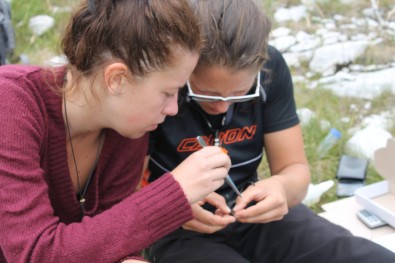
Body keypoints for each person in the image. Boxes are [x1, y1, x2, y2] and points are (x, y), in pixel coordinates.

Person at [144, 0, 395, 262]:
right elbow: (125, 194)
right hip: (177, 226)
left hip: (253, 212)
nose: (222, 106)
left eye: (240, 93)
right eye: (207, 93)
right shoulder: (164, 83)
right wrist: (170, 206)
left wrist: (281, 188)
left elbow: (295, 170)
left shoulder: (271, 70)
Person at [0, 0, 232, 262]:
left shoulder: (127, 128)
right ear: (117, 79)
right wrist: (173, 194)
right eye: (167, 92)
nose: (173, 109)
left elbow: (105, 245)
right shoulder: (10, 104)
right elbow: (36, 254)